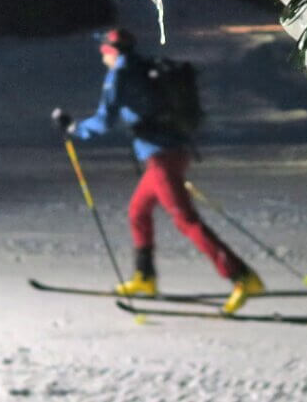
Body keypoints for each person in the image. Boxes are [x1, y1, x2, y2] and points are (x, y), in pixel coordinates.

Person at [51, 28, 265, 313]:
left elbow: (104, 122)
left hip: (163, 157)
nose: (102, 54)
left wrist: (73, 128)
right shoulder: (143, 65)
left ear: (110, 51)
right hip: (171, 152)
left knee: (186, 221)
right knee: (138, 212)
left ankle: (242, 278)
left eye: (103, 49)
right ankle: (145, 277)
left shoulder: (120, 75)